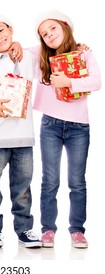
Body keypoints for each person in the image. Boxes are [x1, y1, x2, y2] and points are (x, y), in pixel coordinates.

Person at [33, 10, 101, 248]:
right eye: (43, 34)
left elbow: (96, 81)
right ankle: (48, 229)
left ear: (65, 26)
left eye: (52, 28)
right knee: (49, 180)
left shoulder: (84, 54)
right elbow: (15, 52)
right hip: (50, 124)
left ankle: (77, 230)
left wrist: (69, 82)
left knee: (76, 180)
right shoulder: (41, 56)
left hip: (79, 127)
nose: (49, 35)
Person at [0, 13, 42, 248]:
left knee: (22, 186)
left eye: (1, 30)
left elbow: (48, 49)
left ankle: (25, 229)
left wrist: (18, 45)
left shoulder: (26, 56)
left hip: (24, 138)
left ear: (11, 29)